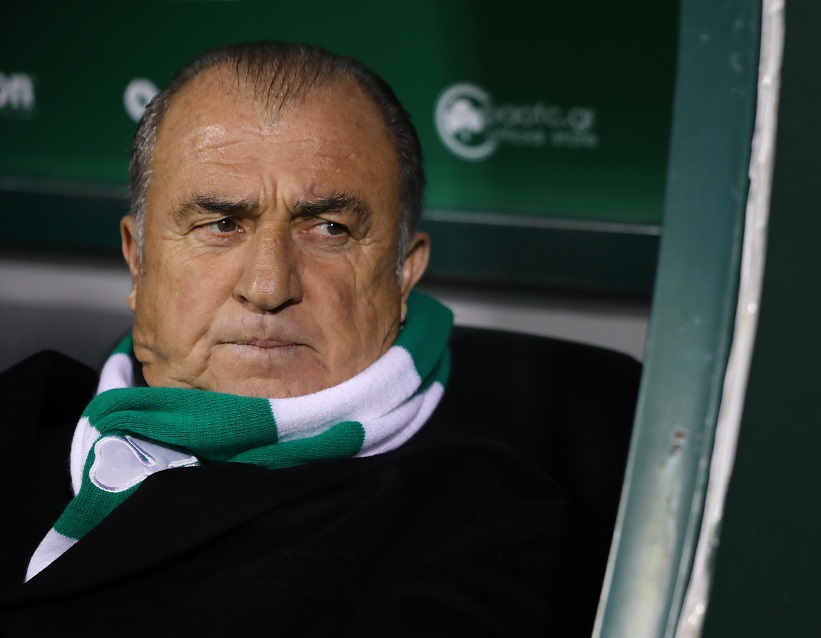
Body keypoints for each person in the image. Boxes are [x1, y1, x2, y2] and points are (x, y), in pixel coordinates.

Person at [0, 42, 580, 635]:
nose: (268, 286)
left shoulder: (486, 527)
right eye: (221, 224)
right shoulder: (23, 415)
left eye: (329, 229)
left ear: (404, 273)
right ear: (137, 260)